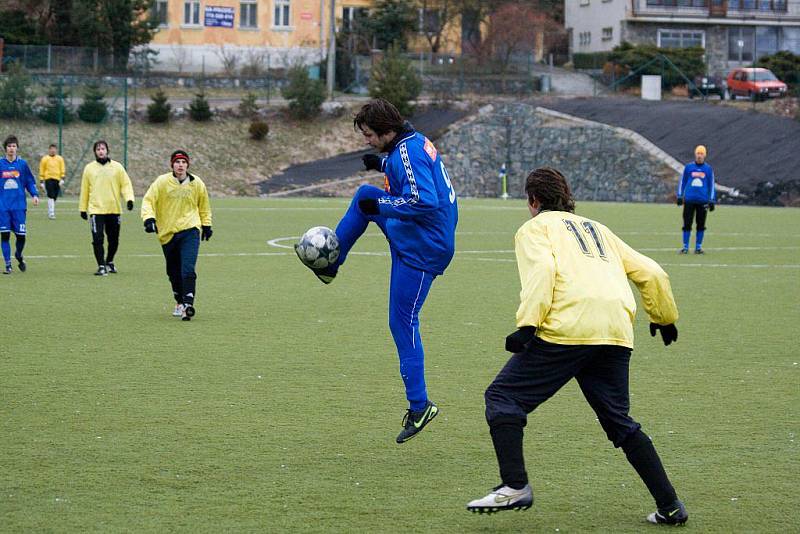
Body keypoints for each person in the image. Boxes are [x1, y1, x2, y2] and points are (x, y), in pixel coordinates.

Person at [466, 168, 688, 526]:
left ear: (533, 201)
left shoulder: (534, 228)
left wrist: (527, 326)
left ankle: (515, 486)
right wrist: (663, 316)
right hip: (615, 330)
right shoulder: (599, 229)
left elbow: (543, 272)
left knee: (503, 398)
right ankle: (671, 505)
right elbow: (652, 272)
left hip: (569, 328)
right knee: (620, 422)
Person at [294, 98, 458, 444]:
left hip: (423, 248)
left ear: (386, 131)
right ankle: (332, 264)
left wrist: (382, 203)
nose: (366, 139)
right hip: (419, 236)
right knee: (364, 195)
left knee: (402, 322)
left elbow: (423, 200)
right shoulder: (408, 144)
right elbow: (410, 177)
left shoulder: (408, 153)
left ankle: (420, 405)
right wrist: (383, 164)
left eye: (369, 135)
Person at [141, 150, 212, 321]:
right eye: (177, 162)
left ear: (188, 165)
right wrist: (148, 219)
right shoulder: (162, 182)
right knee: (173, 272)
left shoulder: (197, 183)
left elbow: (204, 206)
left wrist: (207, 224)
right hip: (167, 233)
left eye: (183, 162)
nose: (180, 165)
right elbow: (148, 201)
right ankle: (179, 301)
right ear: (172, 165)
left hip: (190, 230)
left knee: (188, 268)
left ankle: (188, 303)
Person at [78, 140, 135, 276]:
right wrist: (82, 208)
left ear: (107, 150)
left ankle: (109, 261)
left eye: (103, 148)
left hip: (113, 209)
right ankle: (101, 266)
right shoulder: (89, 168)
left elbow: (125, 184)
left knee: (114, 239)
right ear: (95, 152)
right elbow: (85, 189)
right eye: (98, 149)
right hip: (96, 210)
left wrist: (129, 199)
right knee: (97, 239)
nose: (101, 151)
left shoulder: (117, 167)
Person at [0, 135, 39, 274]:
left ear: (17, 148)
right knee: (4, 236)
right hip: (3, 207)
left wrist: (34, 194)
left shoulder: (22, 164)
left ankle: (18, 255)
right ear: (5, 149)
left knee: (21, 237)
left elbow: (29, 181)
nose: (11, 148)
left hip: (19, 207)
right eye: (9, 146)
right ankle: (8, 265)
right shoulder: (0, 164)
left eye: (14, 146)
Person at [676, 145, 715, 254]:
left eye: (701, 154)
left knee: (701, 225)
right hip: (689, 200)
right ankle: (685, 247)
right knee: (687, 224)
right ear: (695, 154)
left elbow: (711, 185)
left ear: (705, 155)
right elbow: (682, 182)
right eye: (698, 153)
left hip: (702, 201)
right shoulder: (688, 167)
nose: (699, 156)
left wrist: (711, 200)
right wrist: (680, 195)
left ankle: (698, 247)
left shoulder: (708, 169)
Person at [39, 144, 66, 219]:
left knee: (55, 196)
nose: (53, 150)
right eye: (51, 149)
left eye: (54, 149)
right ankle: (51, 212)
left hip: (57, 179)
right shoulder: (45, 159)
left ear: (56, 150)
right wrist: (41, 181)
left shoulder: (60, 159)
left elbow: (62, 168)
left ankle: (51, 209)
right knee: (50, 195)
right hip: (48, 179)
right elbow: (42, 169)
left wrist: (62, 178)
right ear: (49, 150)